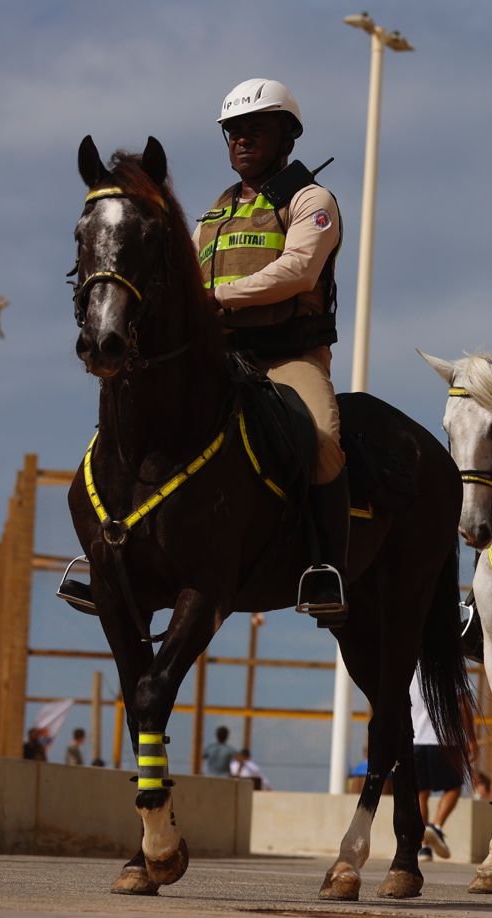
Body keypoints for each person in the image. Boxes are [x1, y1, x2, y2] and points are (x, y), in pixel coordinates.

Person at [193, 78, 349, 627]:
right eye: (232, 132)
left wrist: (214, 298)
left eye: (254, 129)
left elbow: (299, 270)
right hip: (219, 358)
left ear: (288, 135)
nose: (241, 140)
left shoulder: (311, 200)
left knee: (325, 441)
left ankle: (326, 570)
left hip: (287, 360)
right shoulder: (213, 214)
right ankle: (112, 552)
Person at [411, 671, 467, 861]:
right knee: (454, 787)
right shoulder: (446, 668)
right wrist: (470, 738)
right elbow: (463, 705)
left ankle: (423, 846)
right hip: (444, 739)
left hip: (416, 739)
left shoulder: (409, 670)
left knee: (421, 793)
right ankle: (436, 826)